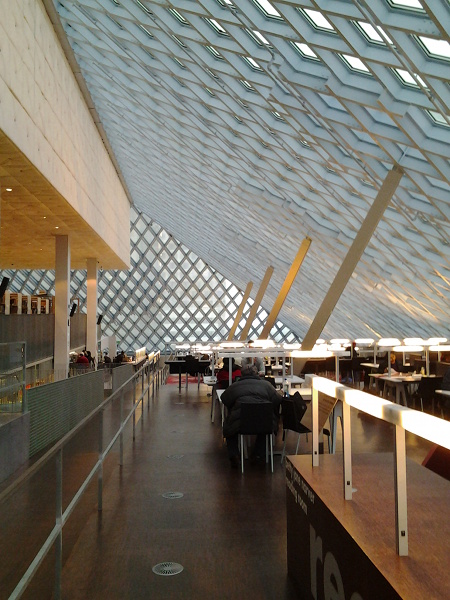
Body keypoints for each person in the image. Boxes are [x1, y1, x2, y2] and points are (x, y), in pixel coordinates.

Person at [221, 363, 281, 468]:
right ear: (257, 373)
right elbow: (277, 400)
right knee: (265, 428)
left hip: (240, 422)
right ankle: (258, 454)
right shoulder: (267, 385)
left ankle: (234, 454)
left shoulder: (235, 386)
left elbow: (224, 399)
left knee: (230, 427)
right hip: (264, 422)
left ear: (241, 374)